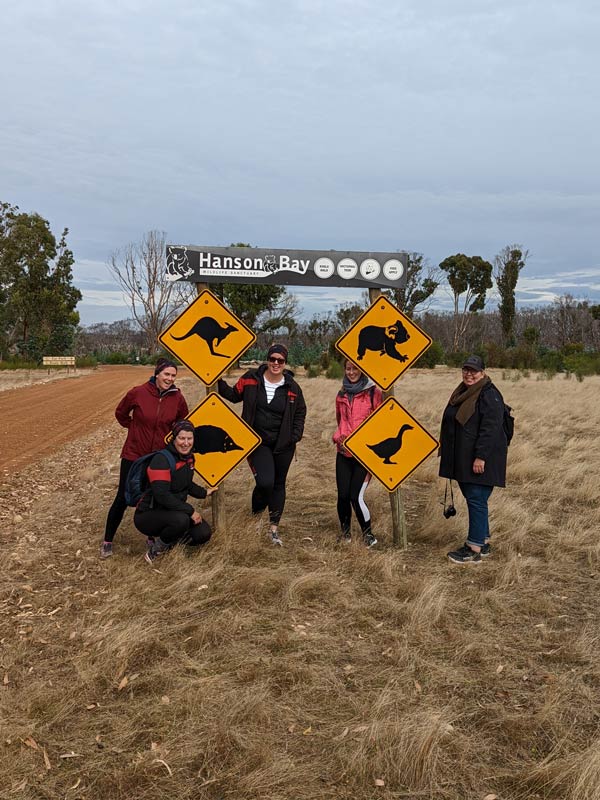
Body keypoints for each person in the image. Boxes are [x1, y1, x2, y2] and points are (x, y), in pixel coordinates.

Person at [217, 344, 306, 546]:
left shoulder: (292, 387)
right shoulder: (250, 378)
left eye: (280, 360)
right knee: (265, 482)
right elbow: (233, 395)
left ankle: (273, 529)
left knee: (278, 484)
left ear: (284, 363)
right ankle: (256, 517)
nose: (276, 363)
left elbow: (300, 412)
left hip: (283, 444)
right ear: (267, 360)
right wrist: (215, 380)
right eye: (272, 359)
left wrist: (295, 435)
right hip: (257, 442)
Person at [100, 357, 189, 559]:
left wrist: (169, 440)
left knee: (153, 497)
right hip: (134, 453)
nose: (170, 378)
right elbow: (121, 413)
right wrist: (134, 429)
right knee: (123, 497)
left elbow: (182, 420)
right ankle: (107, 541)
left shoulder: (177, 397)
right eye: (166, 374)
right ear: (157, 374)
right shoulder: (138, 392)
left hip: (158, 458)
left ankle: (151, 536)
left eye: (173, 375)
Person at [438, 354, 509, 564]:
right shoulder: (464, 391)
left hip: (481, 458)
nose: (469, 374)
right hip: (464, 455)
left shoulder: (489, 395)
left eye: (474, 371)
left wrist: (480, 457)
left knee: (476, 497)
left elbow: (490, 429)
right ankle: (483, 540)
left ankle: (474, 547)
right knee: (477, 498)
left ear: (483, 373)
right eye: (466, 370)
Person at [134, 420, 216, 564]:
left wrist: (205, 492)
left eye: (189, 438)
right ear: (174, 438)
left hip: (172, 512)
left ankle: (171, 544)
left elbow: (187, 484)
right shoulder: (161, 460)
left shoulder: (189, 458)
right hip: (148, 515)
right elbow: (162, 496)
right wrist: (190, 511)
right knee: (181, 520)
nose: (185, 443)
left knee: (203, 533)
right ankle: (156, 551)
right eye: (181, 438)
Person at [333, 360, 383, 547]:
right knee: (343, 495)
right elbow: (340, 421)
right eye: (348, 368)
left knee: (356, 496)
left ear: (362, 370)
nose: (352, 372)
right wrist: (339, 438)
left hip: (364, 455)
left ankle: (368, 534)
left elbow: (380, 423)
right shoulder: (341, 394)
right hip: (343, 453)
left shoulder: (374, 393)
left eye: (355, 368)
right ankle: (345, 533)